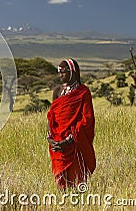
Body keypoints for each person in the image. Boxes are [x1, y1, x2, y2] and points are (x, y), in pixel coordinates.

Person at [46, 58, 96, 189]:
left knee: (77, 179)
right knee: (60, 179)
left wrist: (69, 140)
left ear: (72, 72)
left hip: (74, 142)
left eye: (63, 72)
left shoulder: (83, 92)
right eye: (59, 72)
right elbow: (51, 116)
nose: (60, 75)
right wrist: (50, 139)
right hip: (57, 141)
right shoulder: (57, 91)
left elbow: (87, 119)